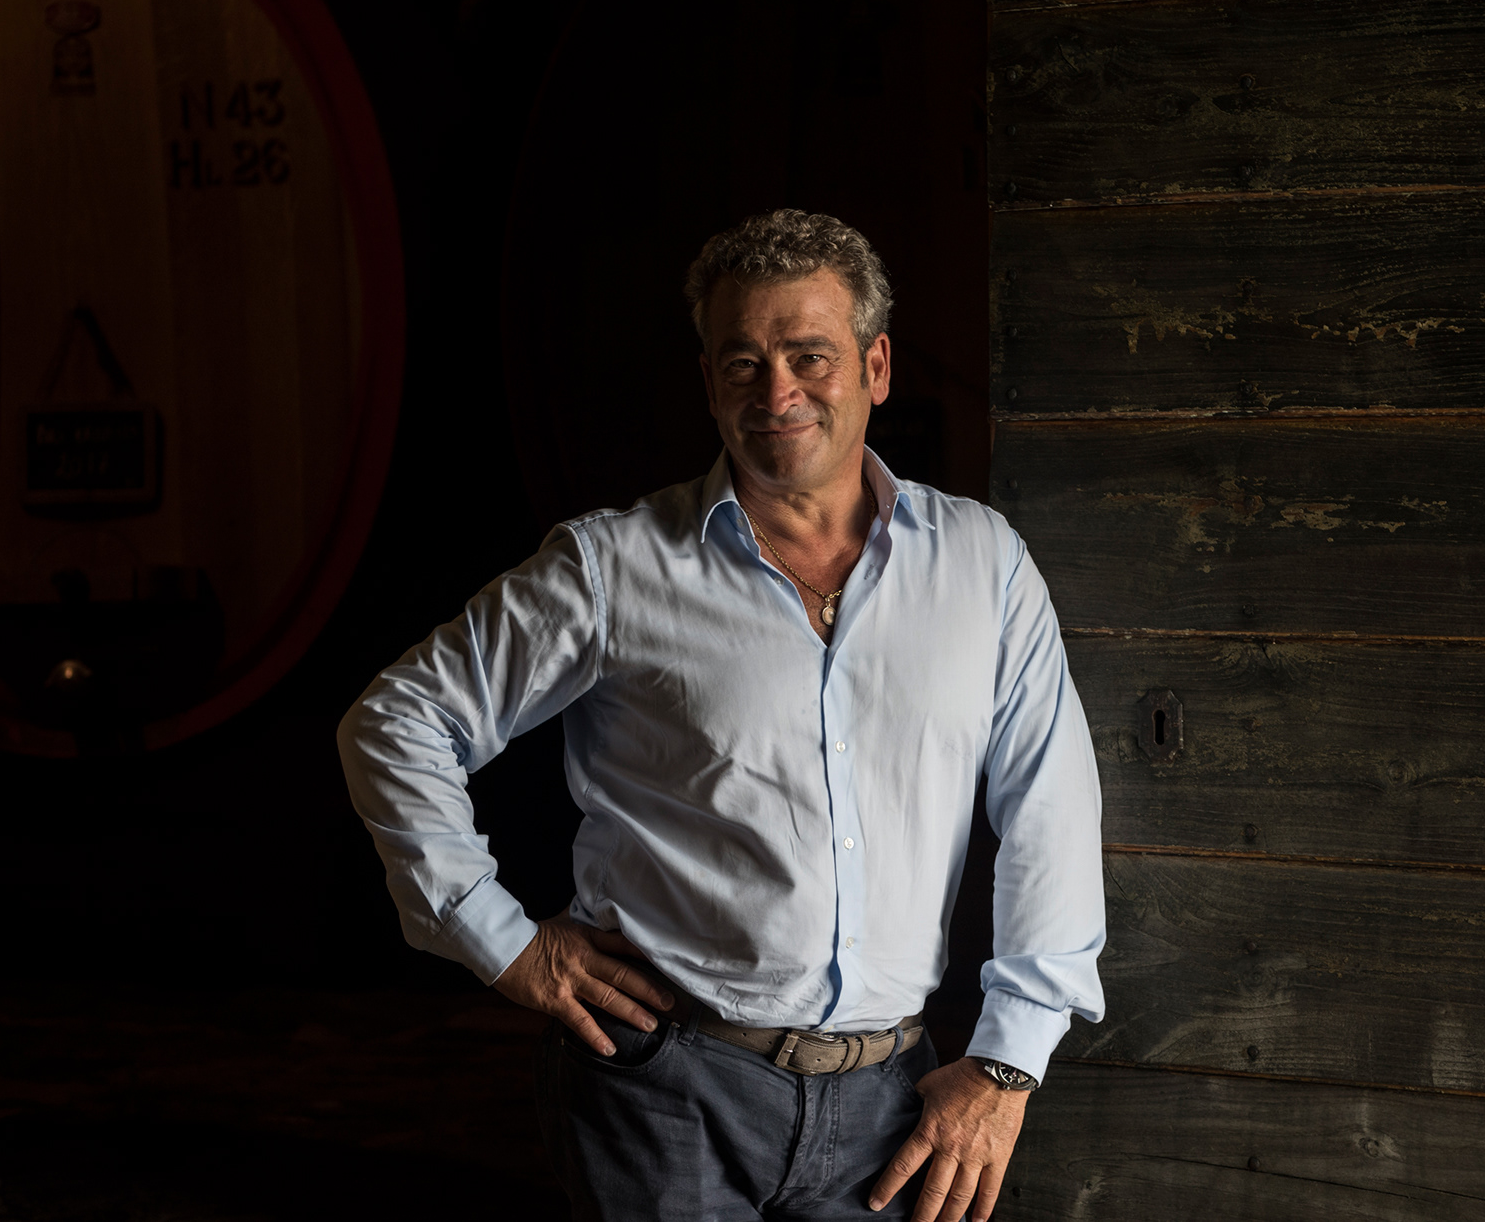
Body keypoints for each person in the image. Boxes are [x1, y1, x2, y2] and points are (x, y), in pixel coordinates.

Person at [338, 209, 1104, 1221]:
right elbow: (397, 720)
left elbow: (1051, 808)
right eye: (743, 363)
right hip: (661, 1091)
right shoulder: (614, 566)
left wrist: (1009, 1061)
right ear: (708, 383)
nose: (777, 392)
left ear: (875, 367)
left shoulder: (983, 564)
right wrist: (503, 942)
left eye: (809, 356)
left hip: (892, 1105)